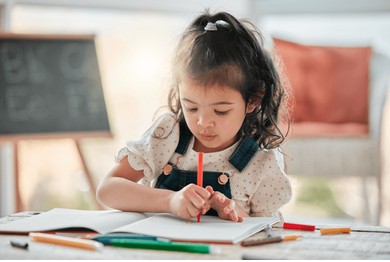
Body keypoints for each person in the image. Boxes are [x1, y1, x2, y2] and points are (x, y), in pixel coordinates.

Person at [97, 11, 292, 222]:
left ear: (253, 101)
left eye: (221, 111)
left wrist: (230, 212)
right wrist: (170, 201)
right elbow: (107, 189)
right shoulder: (167, 135)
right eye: (190, 108)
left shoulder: (262, 162)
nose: (203, 123)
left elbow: (268, 228)